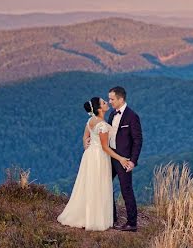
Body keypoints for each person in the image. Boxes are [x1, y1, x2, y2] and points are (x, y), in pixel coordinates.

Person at [56, 96, 130, 231]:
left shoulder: (90, 120)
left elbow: (85, 136)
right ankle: (95, 218)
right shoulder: (101, 125)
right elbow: (105, 147)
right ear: (99, 109)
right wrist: (120, 158)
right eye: (103, 102)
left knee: (89, 185)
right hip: (99, 158)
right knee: (98, 185)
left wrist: (86, 146)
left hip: (90, 156)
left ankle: (86, 215)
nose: (106, 103)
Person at [106, 86, 143, 232]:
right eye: (109, 99)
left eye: (112, 99)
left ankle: (132, 223)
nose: (109, 102)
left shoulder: (132, 116)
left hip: (124, 160)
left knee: (126, 189)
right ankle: (112, 217)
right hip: (110, 157)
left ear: (121, 99)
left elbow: (138, 140)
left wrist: (132, 161)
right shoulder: (111, 114)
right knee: (105, 185)